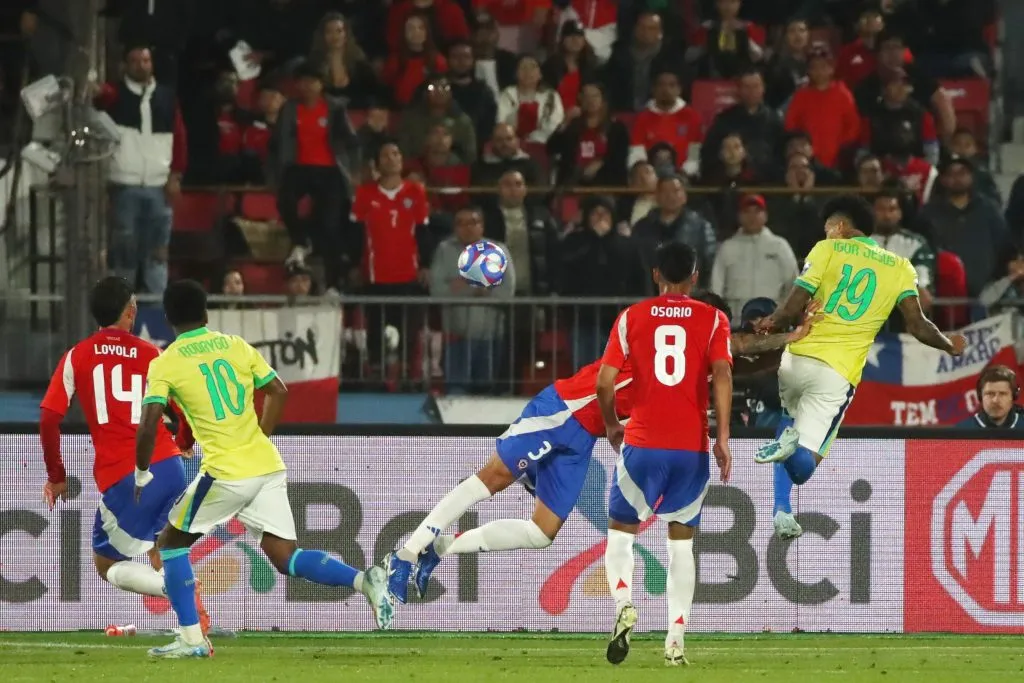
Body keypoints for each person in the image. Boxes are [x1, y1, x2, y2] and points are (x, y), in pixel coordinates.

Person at [381, 283, 816, 606]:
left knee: (541, 533)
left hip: (582, 437)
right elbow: (739, 348)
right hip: (564, 410)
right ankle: (405, 554)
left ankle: (442, 547)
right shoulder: (658, 337)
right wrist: (789, 337)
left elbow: (740, 358)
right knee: (491, 478)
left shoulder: (694, 368)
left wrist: (795, 338)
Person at [135, 280, 392, 658]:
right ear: (207, 314)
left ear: (169, 319)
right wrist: (260, 437)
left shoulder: (166, 362)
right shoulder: (235, 345)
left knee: (170, 546)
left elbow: (150, 419)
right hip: (266, 466)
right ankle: (363, 579)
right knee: (284, 556)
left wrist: (142, 471)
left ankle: (192, 640)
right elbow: (278, 390)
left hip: (226, 472)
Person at [752, 196, 967, 541]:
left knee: (787, 420)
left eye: (828, 230)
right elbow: (917, 324)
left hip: (796, 359)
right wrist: (947, 343)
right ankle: (790, 454)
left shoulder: (825, 249)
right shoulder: (900, 268)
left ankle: (781, 508)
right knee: (805, 465)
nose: (827, 235)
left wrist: (770, 323)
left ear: (839, 227)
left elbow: (792, 307)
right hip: (836, 373)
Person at [38, 277, 208, 625]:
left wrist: (57, 477)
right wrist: (184, 444)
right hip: (170, 467)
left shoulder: (76, 356)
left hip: (127, 475)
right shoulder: (153, 355)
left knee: (106, 563)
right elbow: (186, 410)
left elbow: (48, 419)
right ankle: (198, 619)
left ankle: (177, 592)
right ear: (131, 311)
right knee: (166, 544)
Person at [597, 241, 732, 667]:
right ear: (695, 276)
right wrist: (722, 437)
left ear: (656, 274)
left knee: (621, 534)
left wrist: (611, 424)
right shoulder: (713, 319)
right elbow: (724, 373)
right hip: (690, 447)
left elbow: (604, 383)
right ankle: (675, 639)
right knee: (681, 547)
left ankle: (623, 605)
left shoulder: (630, 317)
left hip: (642, 442)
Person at [957, 365, 1024, 429]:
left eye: (1002, 394)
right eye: (990, 394)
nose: (995, 400)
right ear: (980, 396)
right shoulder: (960, 432)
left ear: (1013, 396)